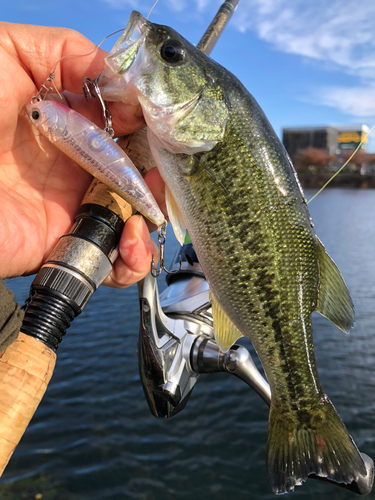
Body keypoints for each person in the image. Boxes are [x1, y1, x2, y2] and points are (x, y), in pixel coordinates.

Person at [0, 22, 166, 350]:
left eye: (35, 114)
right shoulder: (52, 116)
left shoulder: (51, 114)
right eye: (37, 115)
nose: (36, 111)